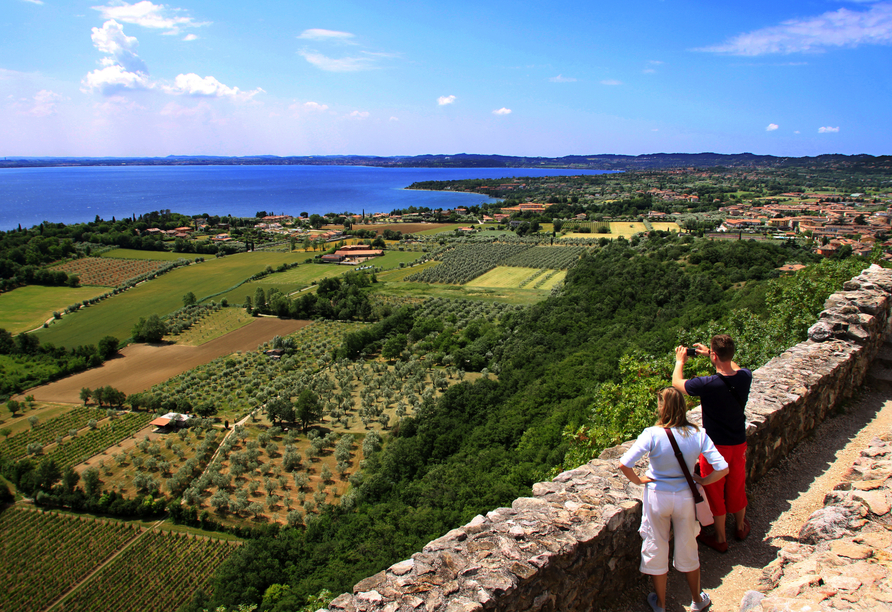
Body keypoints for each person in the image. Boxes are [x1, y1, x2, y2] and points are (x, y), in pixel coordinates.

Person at [618, 387, 729, 612]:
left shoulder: (652, 434)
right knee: (688, 545)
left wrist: (639, 481)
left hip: (658, 496)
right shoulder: (698, 434)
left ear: (662, 407)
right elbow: (723, 467)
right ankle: (697, 600)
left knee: (656, 545)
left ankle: (660, 603)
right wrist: (705, 481)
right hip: (686, 497)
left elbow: (624, 464)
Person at [672, 334, 752, 553]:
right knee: (737, 484)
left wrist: (680, 361)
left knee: (714, 490)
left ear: (714, 355)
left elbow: (677, 384)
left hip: (714, 448)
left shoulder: (707, 384)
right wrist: (713, 355)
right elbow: (735, 366)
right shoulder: (745, 377)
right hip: (738, 443)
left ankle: (720, 537)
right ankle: (741, 527)